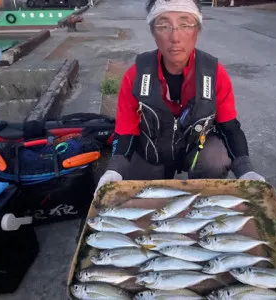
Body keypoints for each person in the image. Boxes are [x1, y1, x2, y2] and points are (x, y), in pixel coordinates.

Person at [94, 0, 264, 197]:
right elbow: (125, 130)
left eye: (185, 25)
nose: (175, 37)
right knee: (134, 180)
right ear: (153, 32)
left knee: (216, 158)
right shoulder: (136, 76)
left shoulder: (214, 74)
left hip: (194, 148)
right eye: (164, 26)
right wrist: (115, 169)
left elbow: (230, 128)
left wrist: (246, 170)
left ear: (197, 30)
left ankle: (201, 200)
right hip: (151, 151)